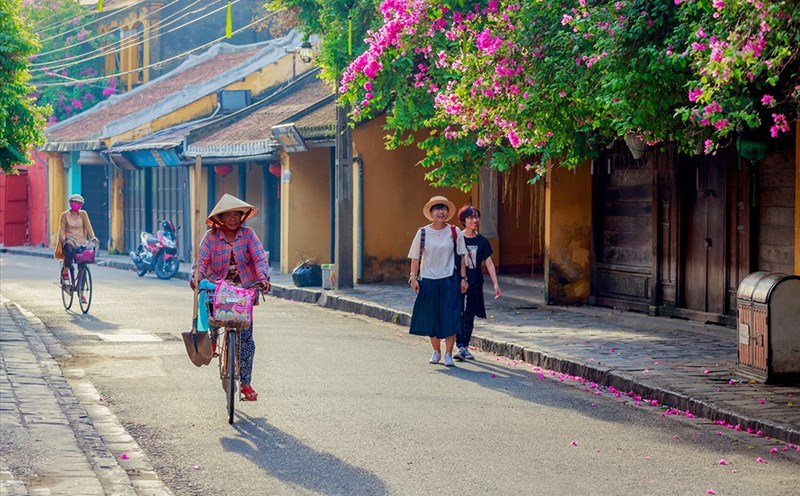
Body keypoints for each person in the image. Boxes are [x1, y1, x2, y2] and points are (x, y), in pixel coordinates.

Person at [194, 194, 271, 401]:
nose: (233, 219)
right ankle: (211, 338)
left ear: (241, 216)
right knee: (212, 309)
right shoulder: (211, 237)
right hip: (218, 287)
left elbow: (259, 257)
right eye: (228, 215)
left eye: (236, 215)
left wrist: (262, 278)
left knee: (246, 338)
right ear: (220, 218)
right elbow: (201, 261)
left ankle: (245, 383)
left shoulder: (248, 235)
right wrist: (197, 277)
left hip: (243, 290)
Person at [408, 195, 469, 367]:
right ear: (431, 212)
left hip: (450, 279)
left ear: (447, 212)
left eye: (443, 209)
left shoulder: (454, 231)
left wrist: (463, 279)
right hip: (428, 279)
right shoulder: (423, 232)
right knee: (431, 317)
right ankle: (436, 351)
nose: (440, 212)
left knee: (450, 316)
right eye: (437, 209)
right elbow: (415, 258)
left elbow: (462, 257)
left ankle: (449, 354)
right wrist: (413, 277)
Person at [454, 205, 501, 360]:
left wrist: (495, 284)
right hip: (458, 280)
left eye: (477, 217)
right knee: (458, 311)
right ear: (463, 220)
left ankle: (464, 346)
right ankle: (460, 344)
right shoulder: (456, 238)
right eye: (471, 217)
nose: (475, 220)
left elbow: (488, 263)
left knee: (470, 314)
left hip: (475, 281)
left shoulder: (482, 241)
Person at [55, 194, 98, 283]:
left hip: (81, 242)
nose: (77, 204)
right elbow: (62, 230)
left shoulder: (83, 214)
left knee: (83, 266)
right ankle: (66, 269)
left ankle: (81, 292)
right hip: (69, 241)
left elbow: (88, 226)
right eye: (75, 202)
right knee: (69, 251)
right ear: (70, 203)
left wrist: (93, 237)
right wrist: (62, 238)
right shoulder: (65, 215)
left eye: (79, 203)